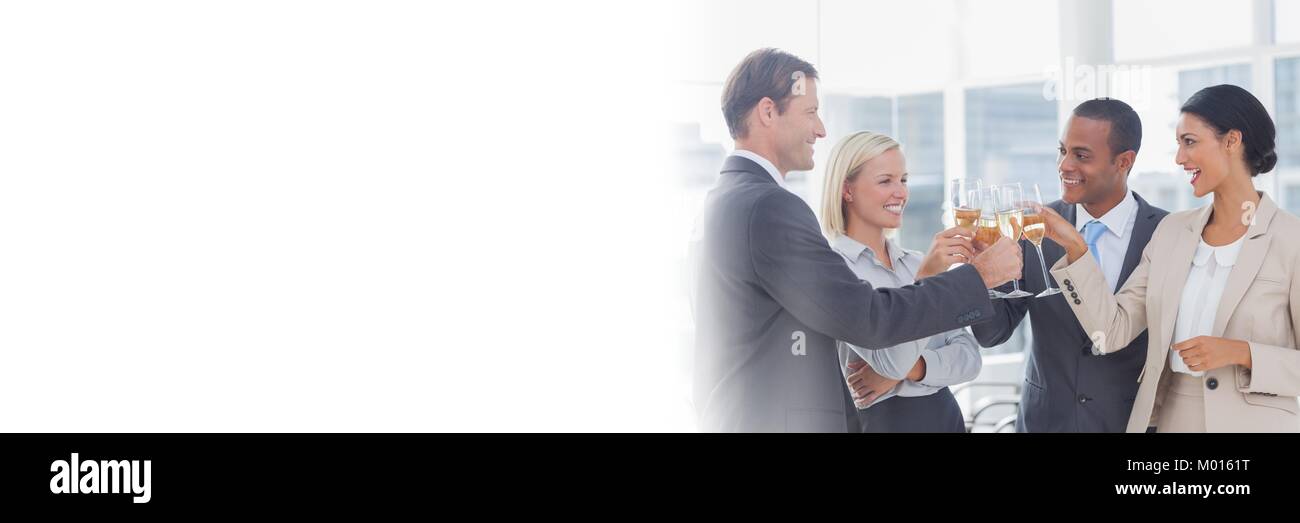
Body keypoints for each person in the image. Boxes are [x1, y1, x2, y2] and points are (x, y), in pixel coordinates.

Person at [692, 48, 1023, 432]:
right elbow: (868, 317)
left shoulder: (724, 199)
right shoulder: (770, 205)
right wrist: (976, 276)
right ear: (768, 112)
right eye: (810, 112)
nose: (820, 129)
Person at [1039, 85, 1300, 432]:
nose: (1179, 158)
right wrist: (1075, 249)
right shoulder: (1171, 232)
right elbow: (1111, 331)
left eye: (1189, 142)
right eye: (1178, 144)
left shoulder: (1290, 240)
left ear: (1232, 141)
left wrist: (1241, 353)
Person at [970, 98, 1168, 432]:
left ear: (1124, 161)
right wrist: (981, 274)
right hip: (1044, 422)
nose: (1064, 165)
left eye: (1081, 155)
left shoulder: (1165, 235)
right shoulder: (1033, 228)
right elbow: (992, 334)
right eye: (1062, 151)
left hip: (1128, 424)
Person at [820, 130, 983, 432]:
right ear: (847, 190)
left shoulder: (917, 262)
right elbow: (891, 361)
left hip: (944, 418)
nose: (901, 193)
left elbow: (969, 356)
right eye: (886, 181)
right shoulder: (835, 271)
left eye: (904, 180)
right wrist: (929, 280)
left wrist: (914, 369)